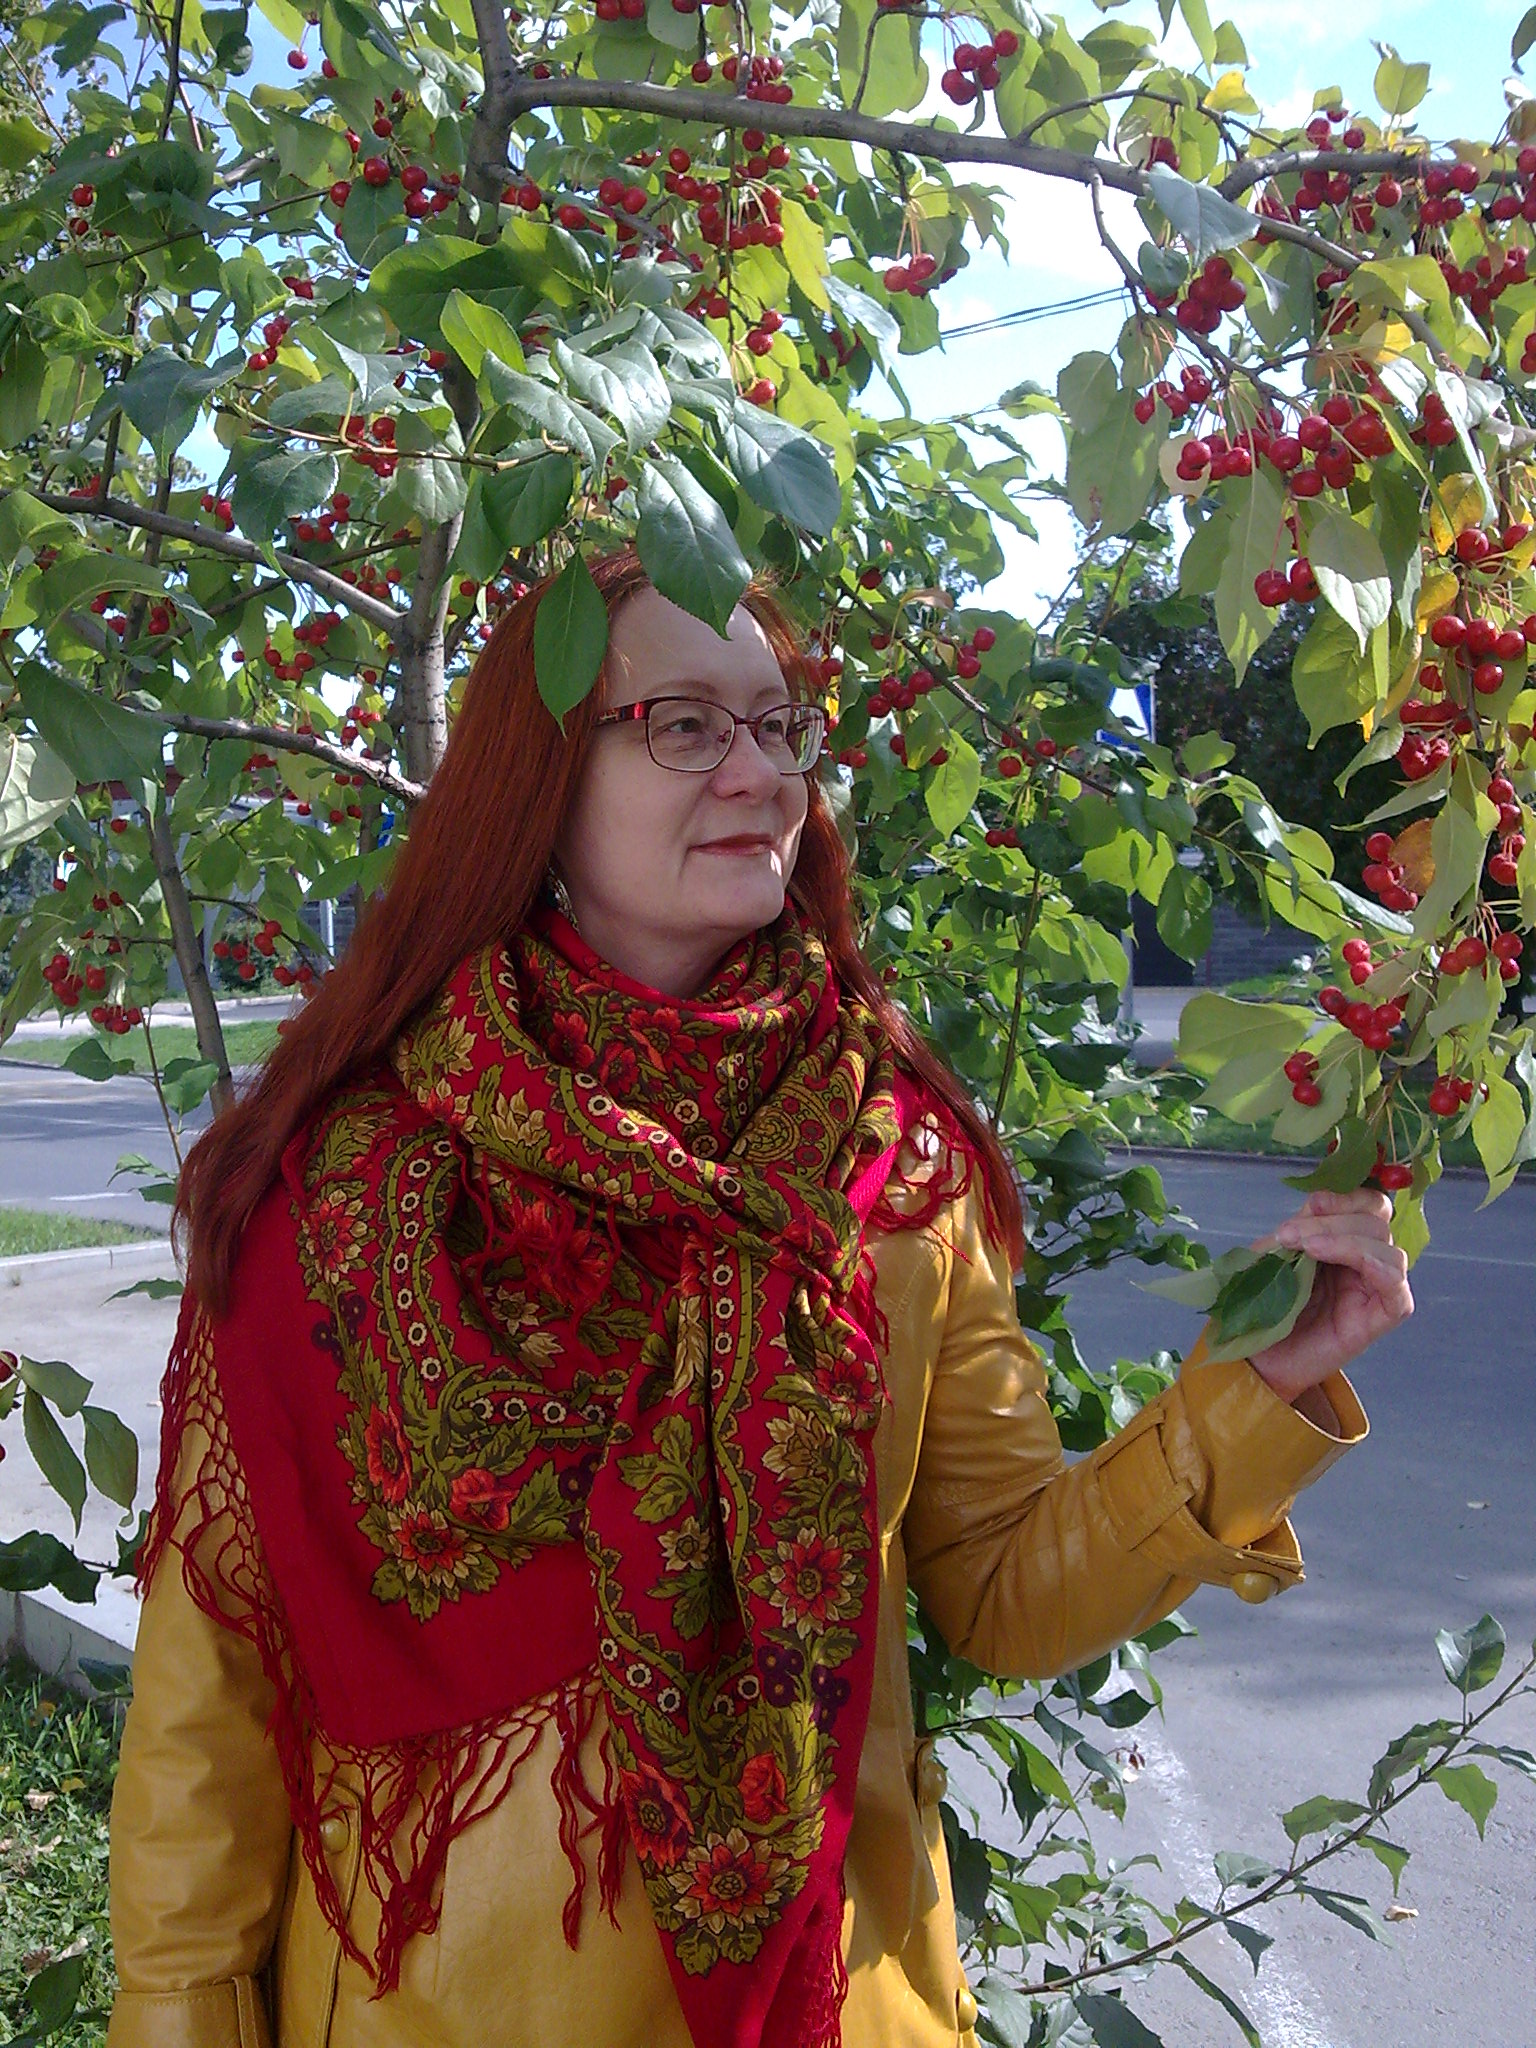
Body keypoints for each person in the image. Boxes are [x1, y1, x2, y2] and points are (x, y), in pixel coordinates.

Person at [105, 548, 1412, 2048]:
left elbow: (997, 1585)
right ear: (540, 781)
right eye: (684, 725)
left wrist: (1251, 1399)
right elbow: (212, 1705)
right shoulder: (339, 1185)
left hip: (838, 2001)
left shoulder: (894, 1161)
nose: (761, 773)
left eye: (782, 724)